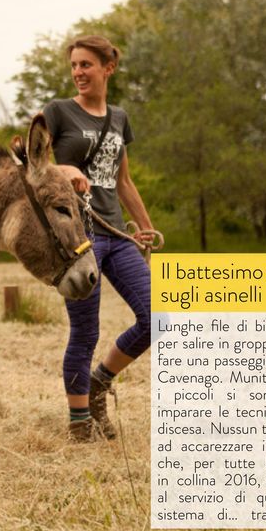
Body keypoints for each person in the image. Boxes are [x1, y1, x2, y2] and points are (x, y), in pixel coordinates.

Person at [41, 35, 155, 442]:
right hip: (78, 237)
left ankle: (100, 382)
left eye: (86, 64)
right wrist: (64, 171)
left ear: (109, 68)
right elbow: (30, 162)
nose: (78, 72)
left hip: (115, 232)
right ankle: (79, 426)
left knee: (156, 317)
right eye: (74, 65)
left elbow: (123, 181)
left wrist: (143, 225)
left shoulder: (119, 118)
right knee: (85, 332)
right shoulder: (57, 112)